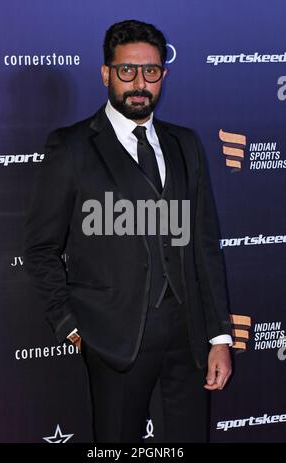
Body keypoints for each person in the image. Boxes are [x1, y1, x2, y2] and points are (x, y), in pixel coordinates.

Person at [23, 19, 232, 443]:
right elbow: (41, 247)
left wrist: (220, 336)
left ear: (163, 74)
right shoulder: (72, 146)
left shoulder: (185, 144)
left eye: (150, 71)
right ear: (106, 74)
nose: (139, 83)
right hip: (113, 339)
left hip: (190, 338)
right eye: (127, 71)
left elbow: (205, 246)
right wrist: (70, 324)